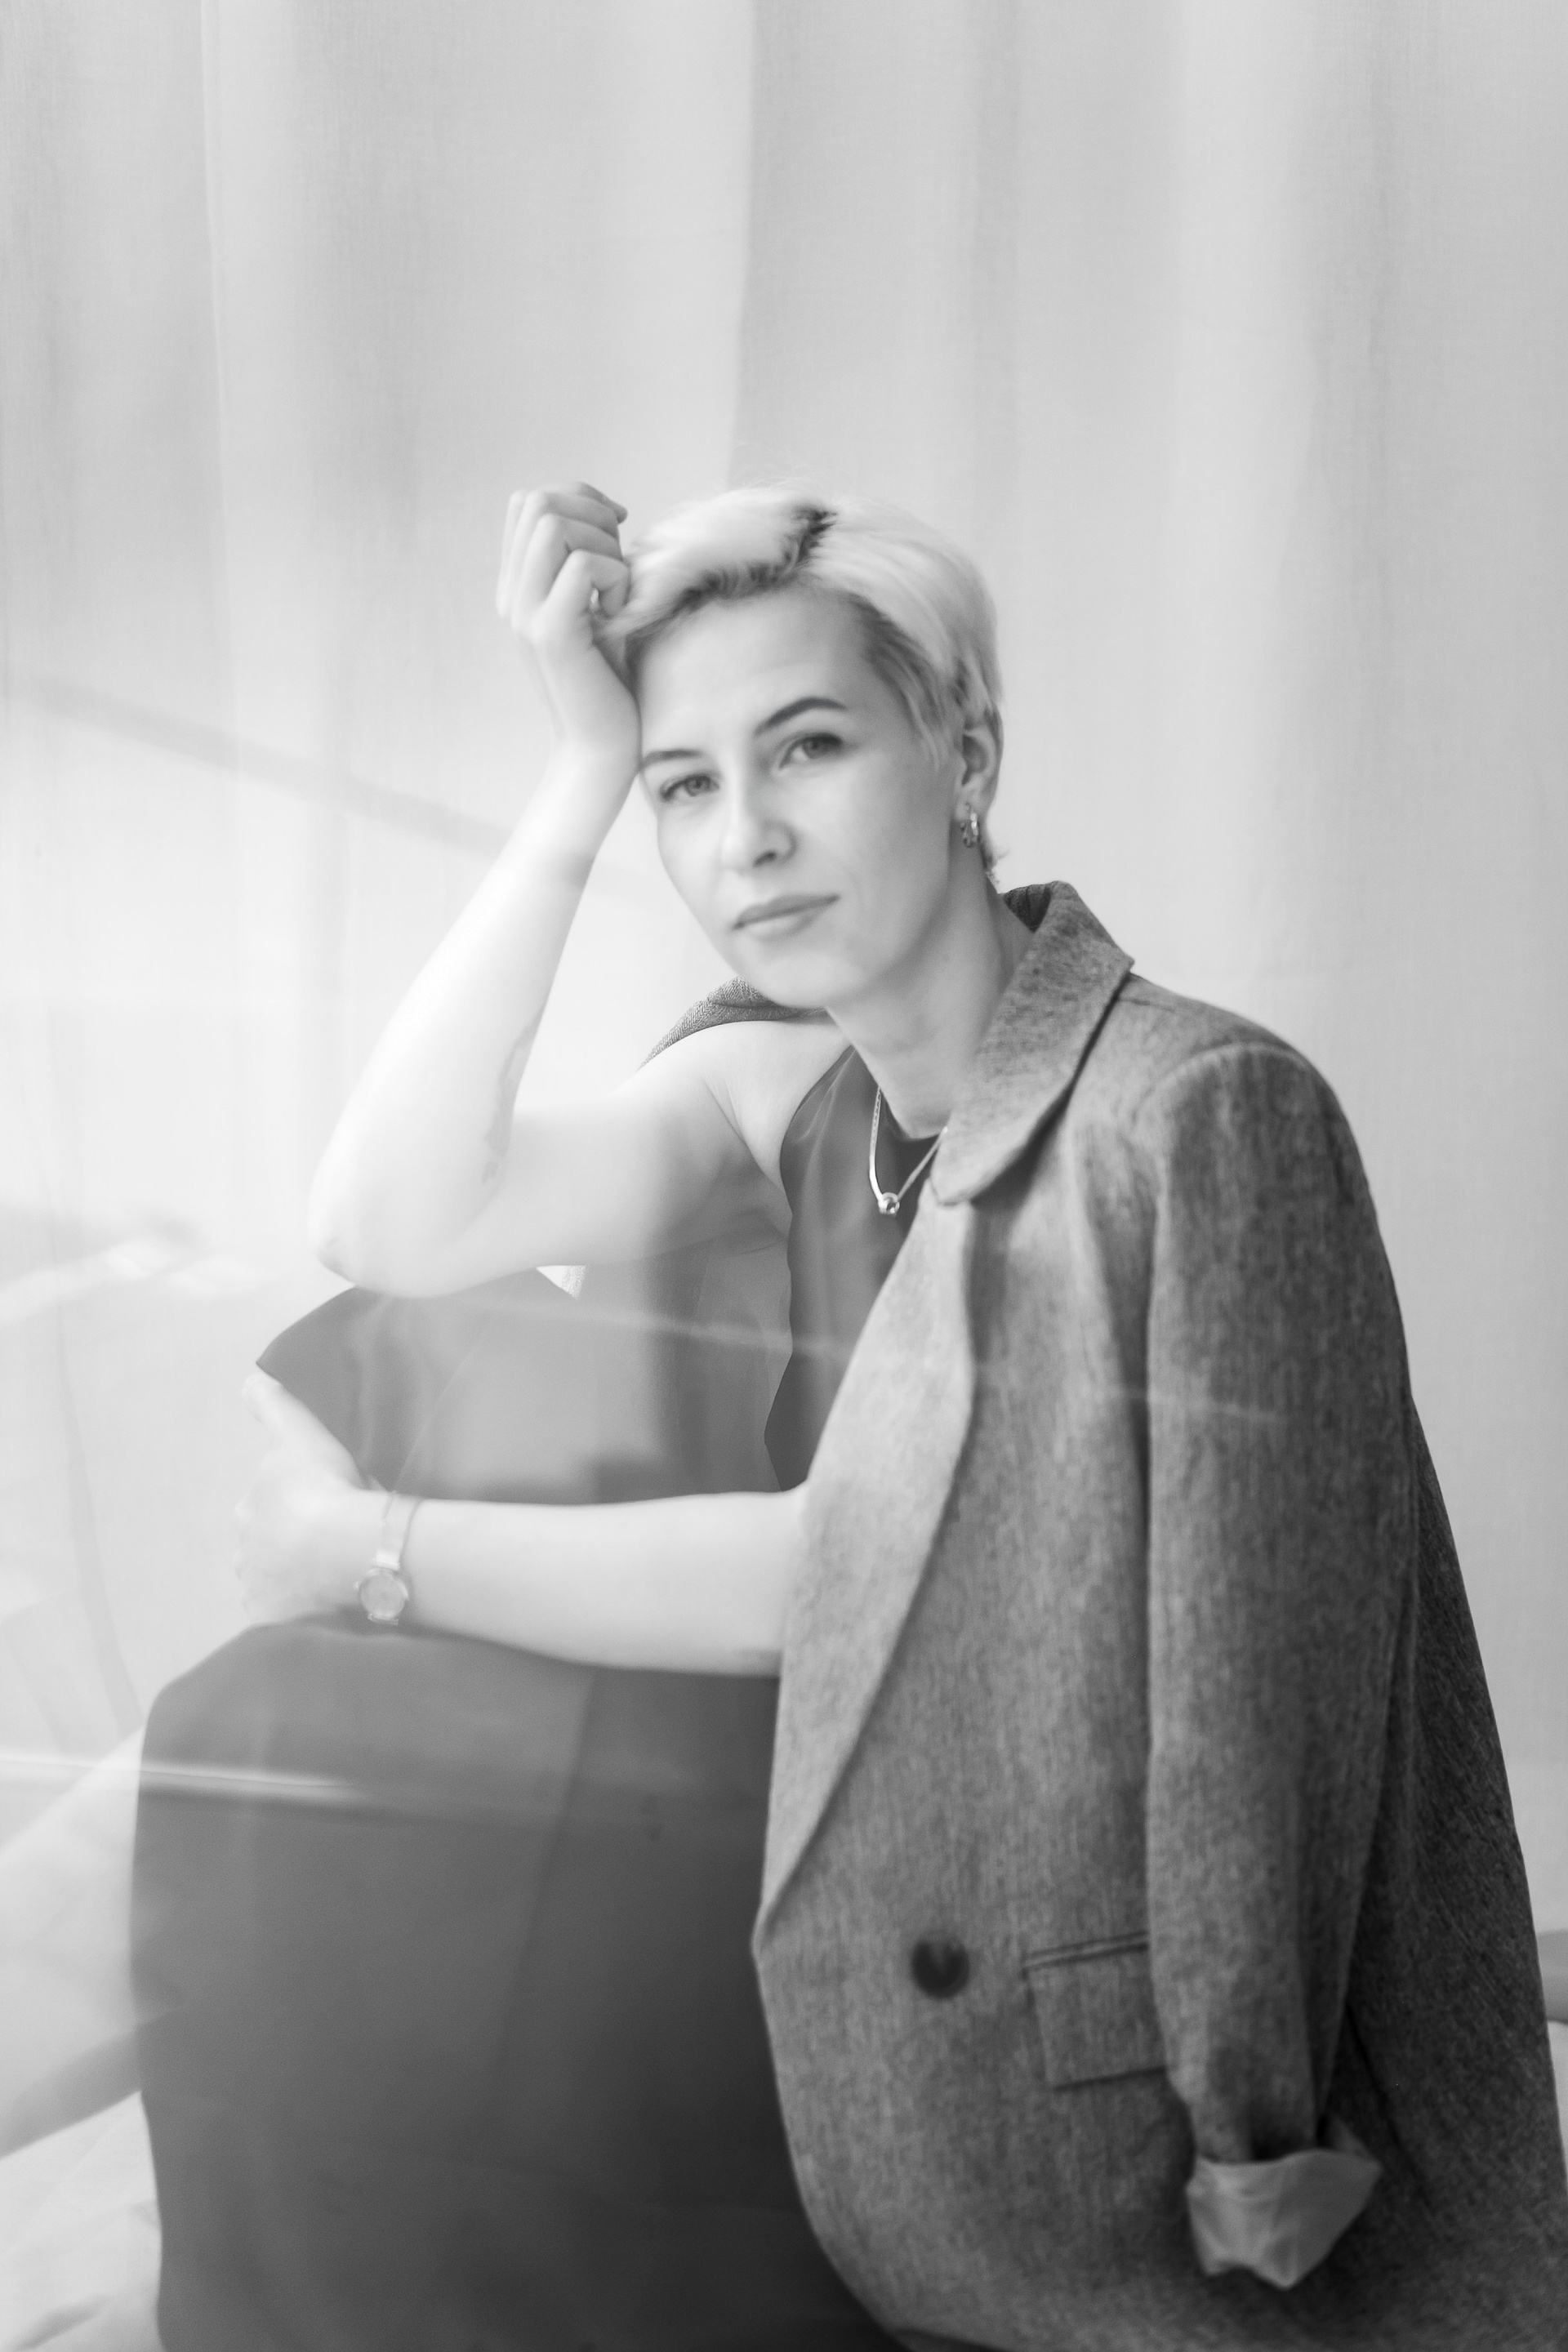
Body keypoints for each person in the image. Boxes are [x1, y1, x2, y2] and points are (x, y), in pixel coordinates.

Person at [13, 480, 1568, 2347]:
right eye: (688, 785)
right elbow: (391, 1219)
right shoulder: (784, 1089)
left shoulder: (1190, 1112)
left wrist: (1249, 2154)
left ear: (965, 752)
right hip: (793, 1857)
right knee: (266, 1723)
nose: (745, 836)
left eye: (808, 747)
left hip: (994, 1978)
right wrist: (580, 772)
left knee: (287, 1721)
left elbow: (966, 1607)